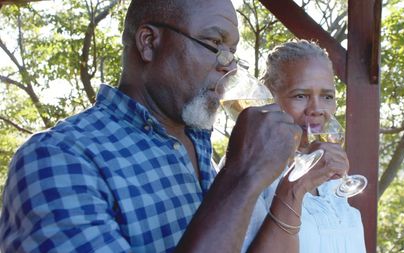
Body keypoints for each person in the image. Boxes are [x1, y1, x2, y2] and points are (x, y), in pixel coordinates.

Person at [0, 1, 344, 253]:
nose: (228, 67)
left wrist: (291, 190)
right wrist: (242, 175)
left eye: (232, 52)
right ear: (149, 42)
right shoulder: (58, 159)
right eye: (214, 45)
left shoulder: (199, 150)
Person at [242, 40, 366, 253]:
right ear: (270, 99)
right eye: (300, 96)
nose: (317, 109)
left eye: (327, 96)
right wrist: (295, 188)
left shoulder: (329, 175)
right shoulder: (249, 172)